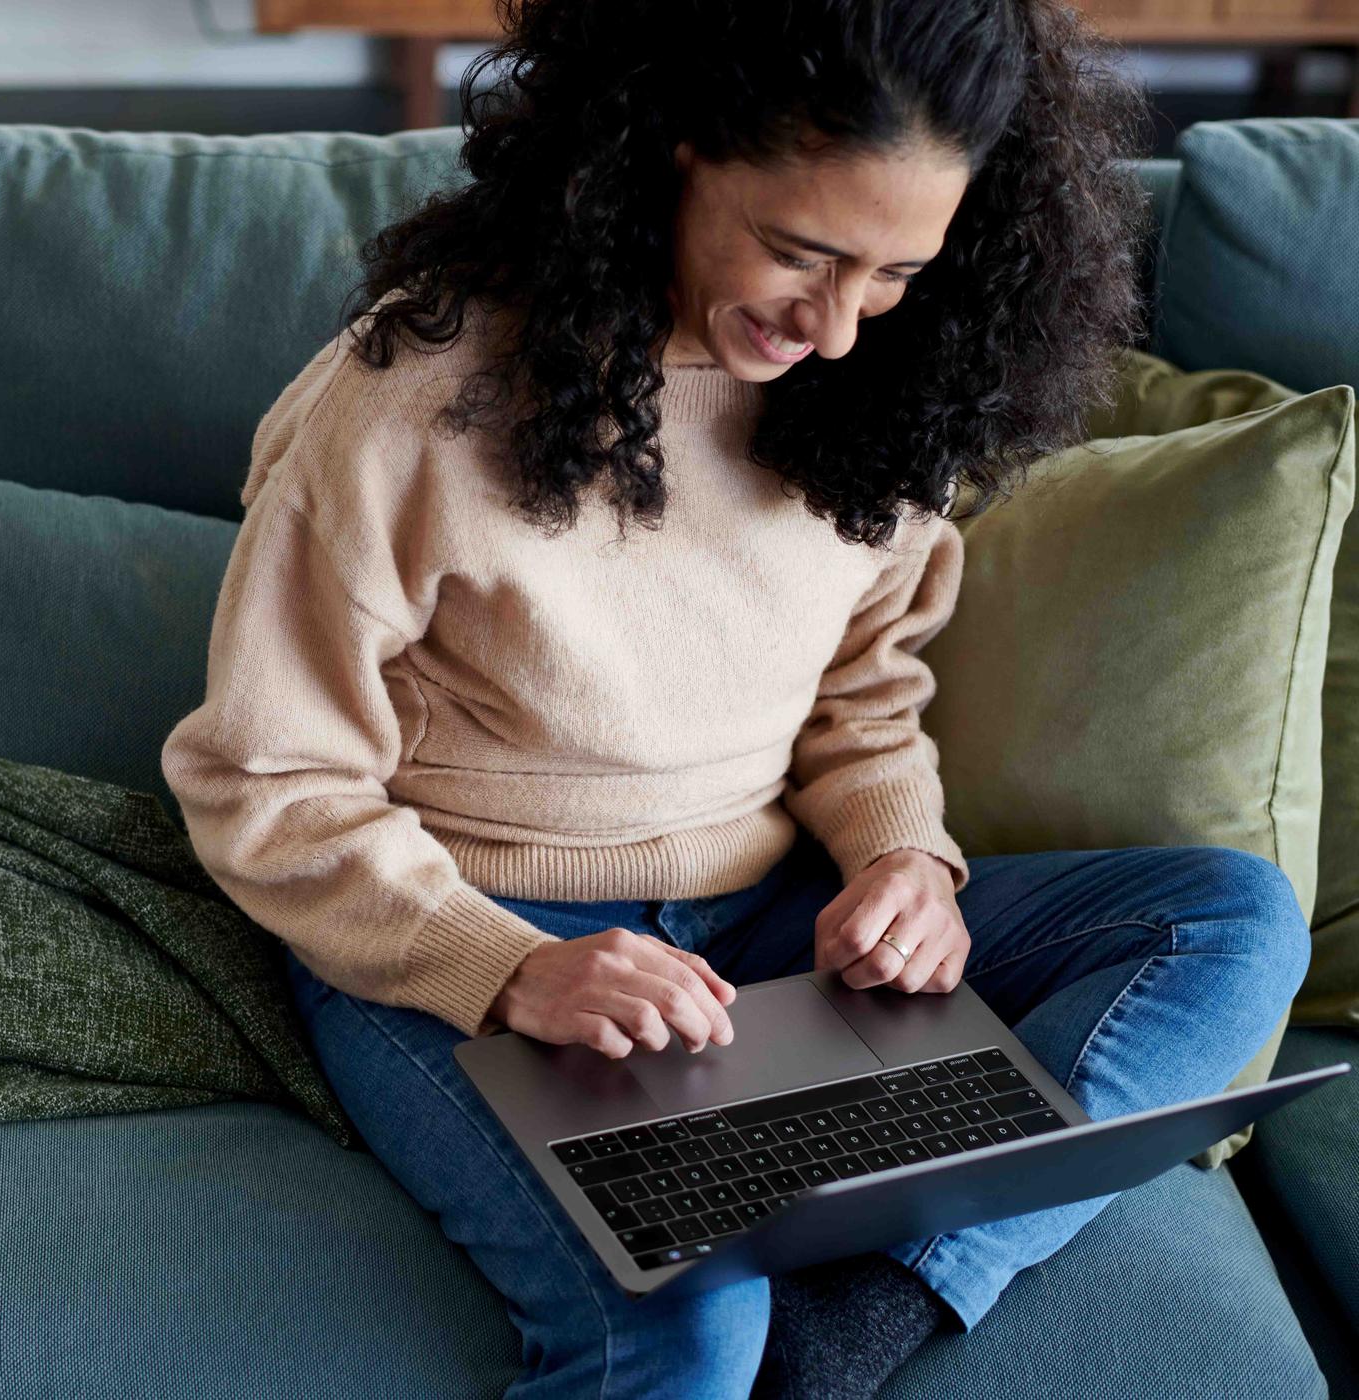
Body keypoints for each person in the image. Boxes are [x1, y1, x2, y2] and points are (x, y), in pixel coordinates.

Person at [161, 1, 1314, 1396]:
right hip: (469, 935)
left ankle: (870, 1308)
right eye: (800, 252)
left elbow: (863, 690)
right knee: (684, 1317)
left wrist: (902, 856)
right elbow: (266, 781)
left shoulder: (881, 386)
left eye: (893, 272)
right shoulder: (413, 400)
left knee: (1232, 915)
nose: (834, 328)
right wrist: (513, 968)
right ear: (672, 151)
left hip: (761, 928)